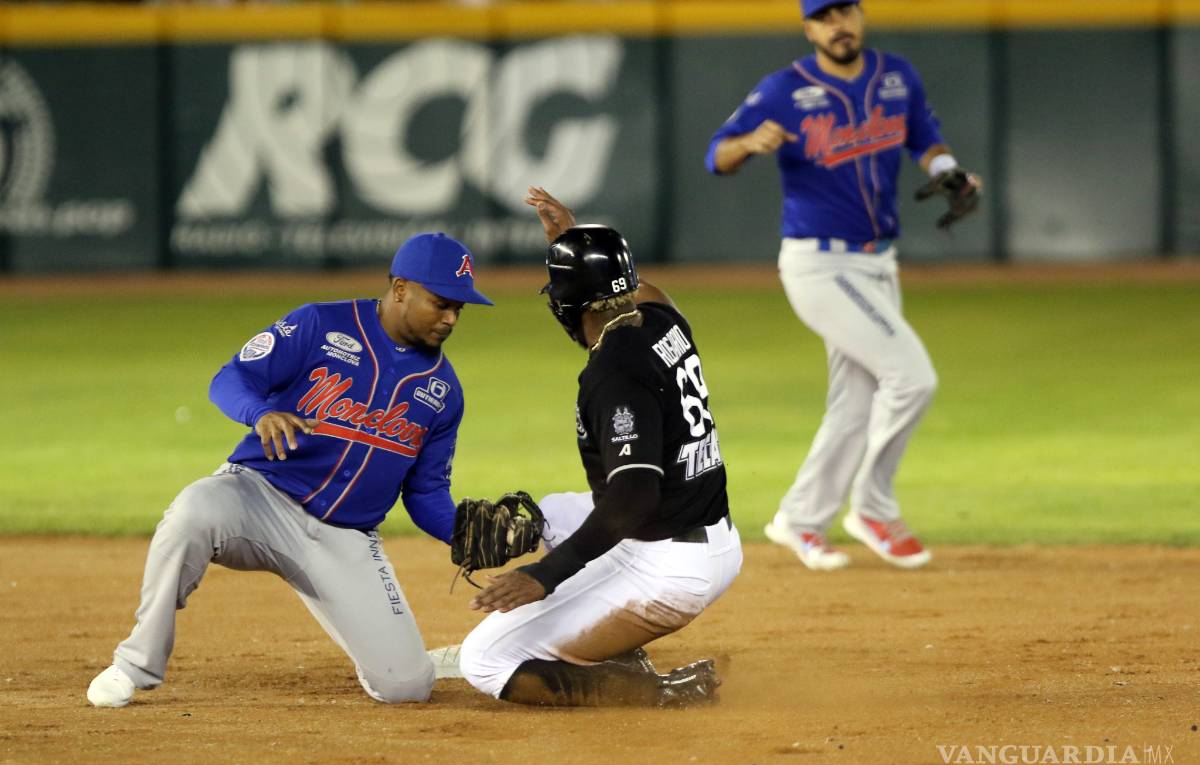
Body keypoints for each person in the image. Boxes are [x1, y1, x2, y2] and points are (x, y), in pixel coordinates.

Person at [86, 233, 493, 708]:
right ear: (401, 288)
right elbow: (231, 377)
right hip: (257, 499)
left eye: (459, 309)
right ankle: (134, 665)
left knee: (407, 688)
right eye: (441, 303)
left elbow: (425, 493)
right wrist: (259, 413)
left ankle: (415, 660)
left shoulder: (444, 391)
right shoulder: (320, 323)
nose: (450, 318)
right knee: (192, 511)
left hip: (346, 538)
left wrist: (462, 531)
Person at [706, 0, 981, 571]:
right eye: (824, 16)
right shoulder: (784, 88)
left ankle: (800, 520)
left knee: (855, 401)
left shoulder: (895, 76)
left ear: (860, 16)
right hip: (819, 264)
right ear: (809, 28)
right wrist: (748, 144)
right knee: (912, 378)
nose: (838, 24)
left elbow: (926, 136)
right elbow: (718, 155)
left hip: (879, 262)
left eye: (845, 11)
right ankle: (874, 507)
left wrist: (944, 170)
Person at [455, 188, 743, 707]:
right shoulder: (662, 319)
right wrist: (575, 241)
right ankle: (615, 647)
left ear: (567, 304)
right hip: (710, 535)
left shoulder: (613, 373)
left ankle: (657, 693)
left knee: (484, 661)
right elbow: (642, 288)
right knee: (551, 514)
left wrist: (544, 576)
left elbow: (633, 498)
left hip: (668, 570)